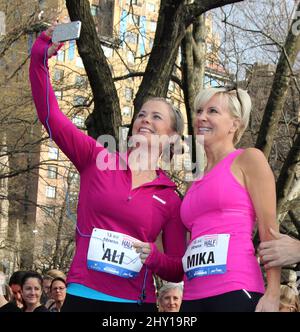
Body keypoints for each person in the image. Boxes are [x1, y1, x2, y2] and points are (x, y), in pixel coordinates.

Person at [29, 24, 186, 312]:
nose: (145, 120)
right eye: (141, 114)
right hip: (84, 295)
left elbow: (176, 268)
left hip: (135, 304)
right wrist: (40, 55)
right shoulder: (96, 158)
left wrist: (153, 256)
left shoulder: (171, 198)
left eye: (156, 116)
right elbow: (50, 114)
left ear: (172, 136)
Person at [180, 87, 281, 312]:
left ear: (234, 124)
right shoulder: (193, 179)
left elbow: (269, 229)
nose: (201, 117)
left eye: (212, 111)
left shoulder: (249, 159)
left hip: (235, 289)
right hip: (191, 295)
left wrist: (273, 292)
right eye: (199, 111)